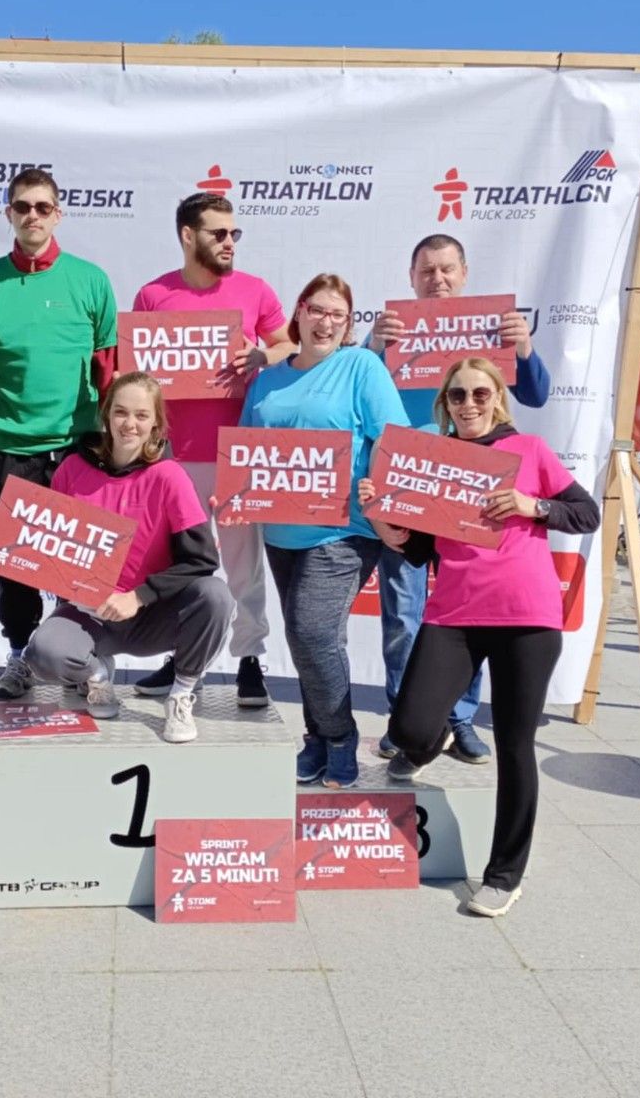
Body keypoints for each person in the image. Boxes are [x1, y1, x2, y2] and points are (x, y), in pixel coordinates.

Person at [369, 357, 598, 917]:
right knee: (410, 728)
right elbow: (423, 550)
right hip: (455, 616)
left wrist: (533, 506)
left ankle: (503, 876)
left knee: (515, 748)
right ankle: (434, 741)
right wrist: (385, 518)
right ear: (443, 405)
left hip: (527, 619)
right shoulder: (434, 463)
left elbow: (586, 513)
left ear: (497, 397)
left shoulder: (531, 451)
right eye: (456, 397)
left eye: (478, 394)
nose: (468, 404)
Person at [367, 233, 553, 766]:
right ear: (411, 277)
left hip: (470, 484)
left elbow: (535, 395)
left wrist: (523, 348)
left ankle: (462, 719)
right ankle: (407, 716)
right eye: (426, 271)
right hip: (410, 479)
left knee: (470, 612)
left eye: (447, 269)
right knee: (403, 612)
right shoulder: (393, 333)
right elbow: (354, 383)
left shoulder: (488, 329)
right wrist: (374, 347)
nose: (438, 280)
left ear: (465, 273)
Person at [235, 274, 408, 788]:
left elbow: (391, 439)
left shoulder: (361, 366)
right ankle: (315, 738)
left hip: (345, 529)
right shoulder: (267, 378)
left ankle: (339, 737)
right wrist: (235, 492)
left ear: (349, 322)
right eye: (318, 310)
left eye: (339, 314)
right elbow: (247, 445)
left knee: (312, 632)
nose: (327, 322)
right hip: (280, 533)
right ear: (300, 312)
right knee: (309, 639)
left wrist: (382, 508)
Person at [129, 194, 295, 706]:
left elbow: (290, 343)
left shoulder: (254, 290)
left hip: (239, 454)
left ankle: (249, 661)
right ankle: (184, 660)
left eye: (233, 234)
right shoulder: (154, 295)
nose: (229, 243)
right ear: (188, 236)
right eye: (218, 234)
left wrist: (265, 353)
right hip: (174, 459)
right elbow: (135, 372)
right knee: (183, 565)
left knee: (244, 566)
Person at [0, 168, 118, 701]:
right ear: (8, 213)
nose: (33, 215)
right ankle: (18, 657)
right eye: (22, 206)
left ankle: (83, 662)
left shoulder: (91, 279)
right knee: (16, 566)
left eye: (43, 207)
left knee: (83, 565)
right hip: (10, 446)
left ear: (59, 214)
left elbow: (108, 366)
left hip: (79, 446)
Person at [21, 373, 232, 741]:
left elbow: (201, 560)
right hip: (89, 615)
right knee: (42, 653)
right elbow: (47, 546)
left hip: (154, 615)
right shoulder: (72, 469)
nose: (129, 424)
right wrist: (14, 542)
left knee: (215, 596)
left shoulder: (170, 477)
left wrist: (138, 596)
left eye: (140, 415)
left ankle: (181, 693)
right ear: (106, 415)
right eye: (120, 412)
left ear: (156, 424)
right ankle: (97, 676)